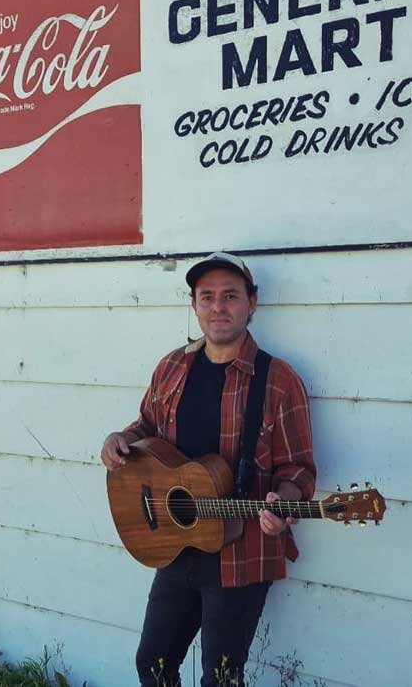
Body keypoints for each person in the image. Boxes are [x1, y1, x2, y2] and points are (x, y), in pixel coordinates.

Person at [101, 252, 317, 687]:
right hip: (173, 544)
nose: (218, 307)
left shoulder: (278, 380)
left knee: (221, 678)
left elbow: (299, 469)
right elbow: (146, 428)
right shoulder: (171, 368)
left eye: (230, 296)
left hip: (242, 553)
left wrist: (284, 501)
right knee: (153, 665)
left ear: (252, 302)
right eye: (207, 297)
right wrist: (118, 440)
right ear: (194, 304)